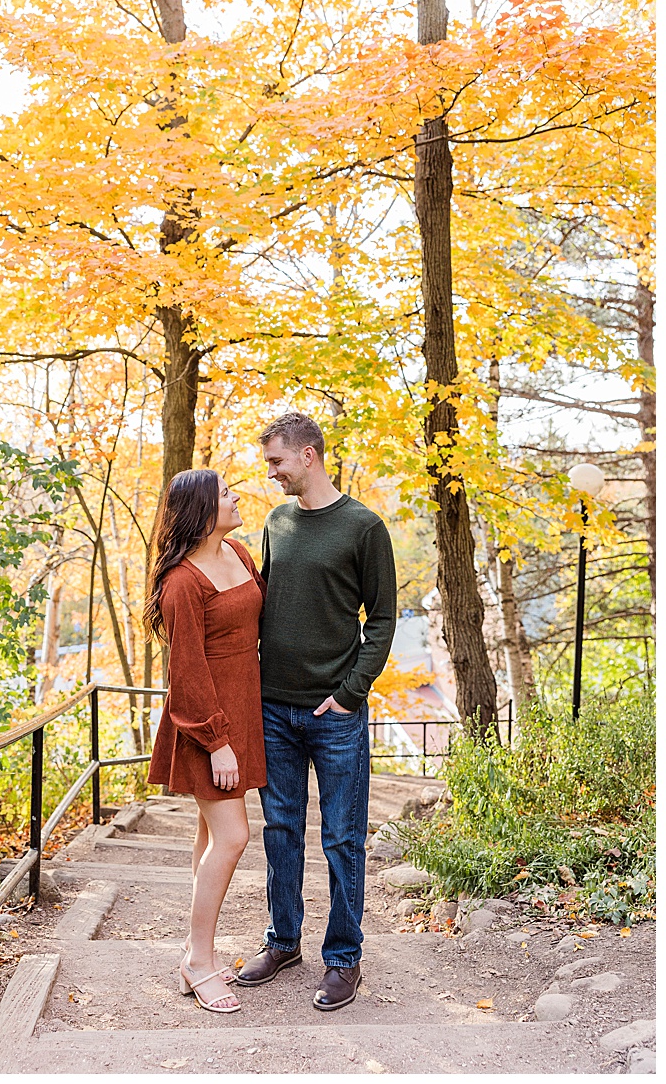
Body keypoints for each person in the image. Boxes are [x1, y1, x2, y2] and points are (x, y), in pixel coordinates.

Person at [235, 412, 396, 1012]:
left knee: (342, 840)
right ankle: (283, 942)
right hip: (273, 708)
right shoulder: (277, 522)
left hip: (337, 715)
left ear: (308, 455)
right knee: (280, 833)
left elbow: (380, 621)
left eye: (277, 461)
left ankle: (344, 958)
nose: (271, 473)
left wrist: (352, 692)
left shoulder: (363, 528)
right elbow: (264, 604)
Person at [145, 468, 267, 1015]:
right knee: (234, 836)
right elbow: (187, 673)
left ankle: (193, 952)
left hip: (244, 710)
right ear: (200, 509)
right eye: (225, 494)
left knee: (210, 835)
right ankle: (198, 958)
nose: (236, 497)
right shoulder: (181, 583)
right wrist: (217, 741)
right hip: (206, 724)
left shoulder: (239, 553)